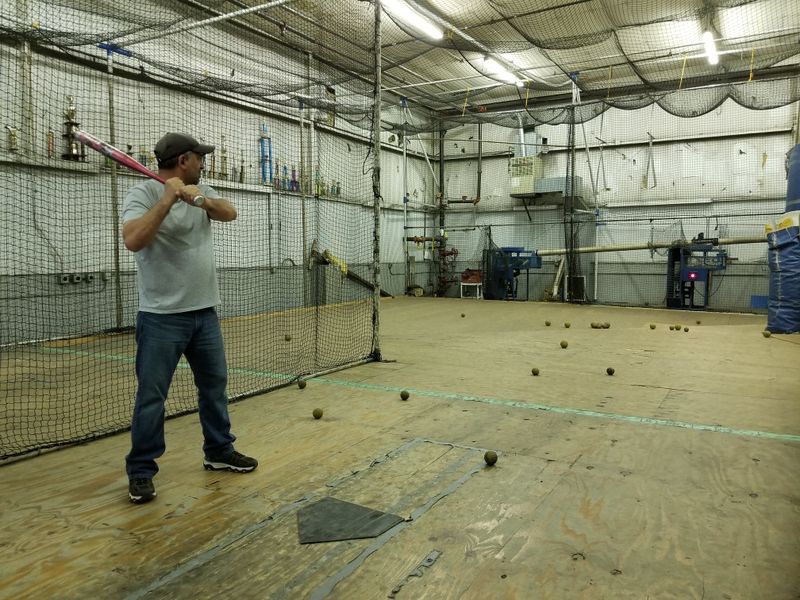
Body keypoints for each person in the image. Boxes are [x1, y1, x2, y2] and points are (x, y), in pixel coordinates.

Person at [122, 132, 257, 504]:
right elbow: (133, 240)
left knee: (214, 386)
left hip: (204, 314)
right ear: (183, 160)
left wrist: (198, 199)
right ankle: (141, 470)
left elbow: (229, 212)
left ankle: (218, 450)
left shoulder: (202, 188)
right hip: (161, 317)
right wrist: (167, 199)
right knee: (152, 397)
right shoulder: (142, 194)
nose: (203, 163)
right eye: (199, 157)